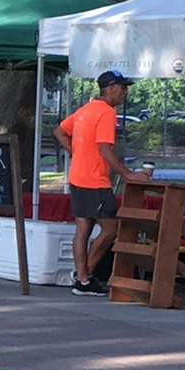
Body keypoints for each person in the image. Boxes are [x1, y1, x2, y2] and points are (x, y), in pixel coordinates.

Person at [56, 70, 129, 296]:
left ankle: (83, 278)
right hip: (95, 181)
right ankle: (83, 276)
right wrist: (129, 174)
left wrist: (76, 153)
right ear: (111, 88)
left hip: (77, 177)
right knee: (111, 228)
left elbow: (59, 131)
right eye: (123, 87)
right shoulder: (106, 113)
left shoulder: (85, 110)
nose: (125, 93)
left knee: (83, 228)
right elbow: (105, 150)